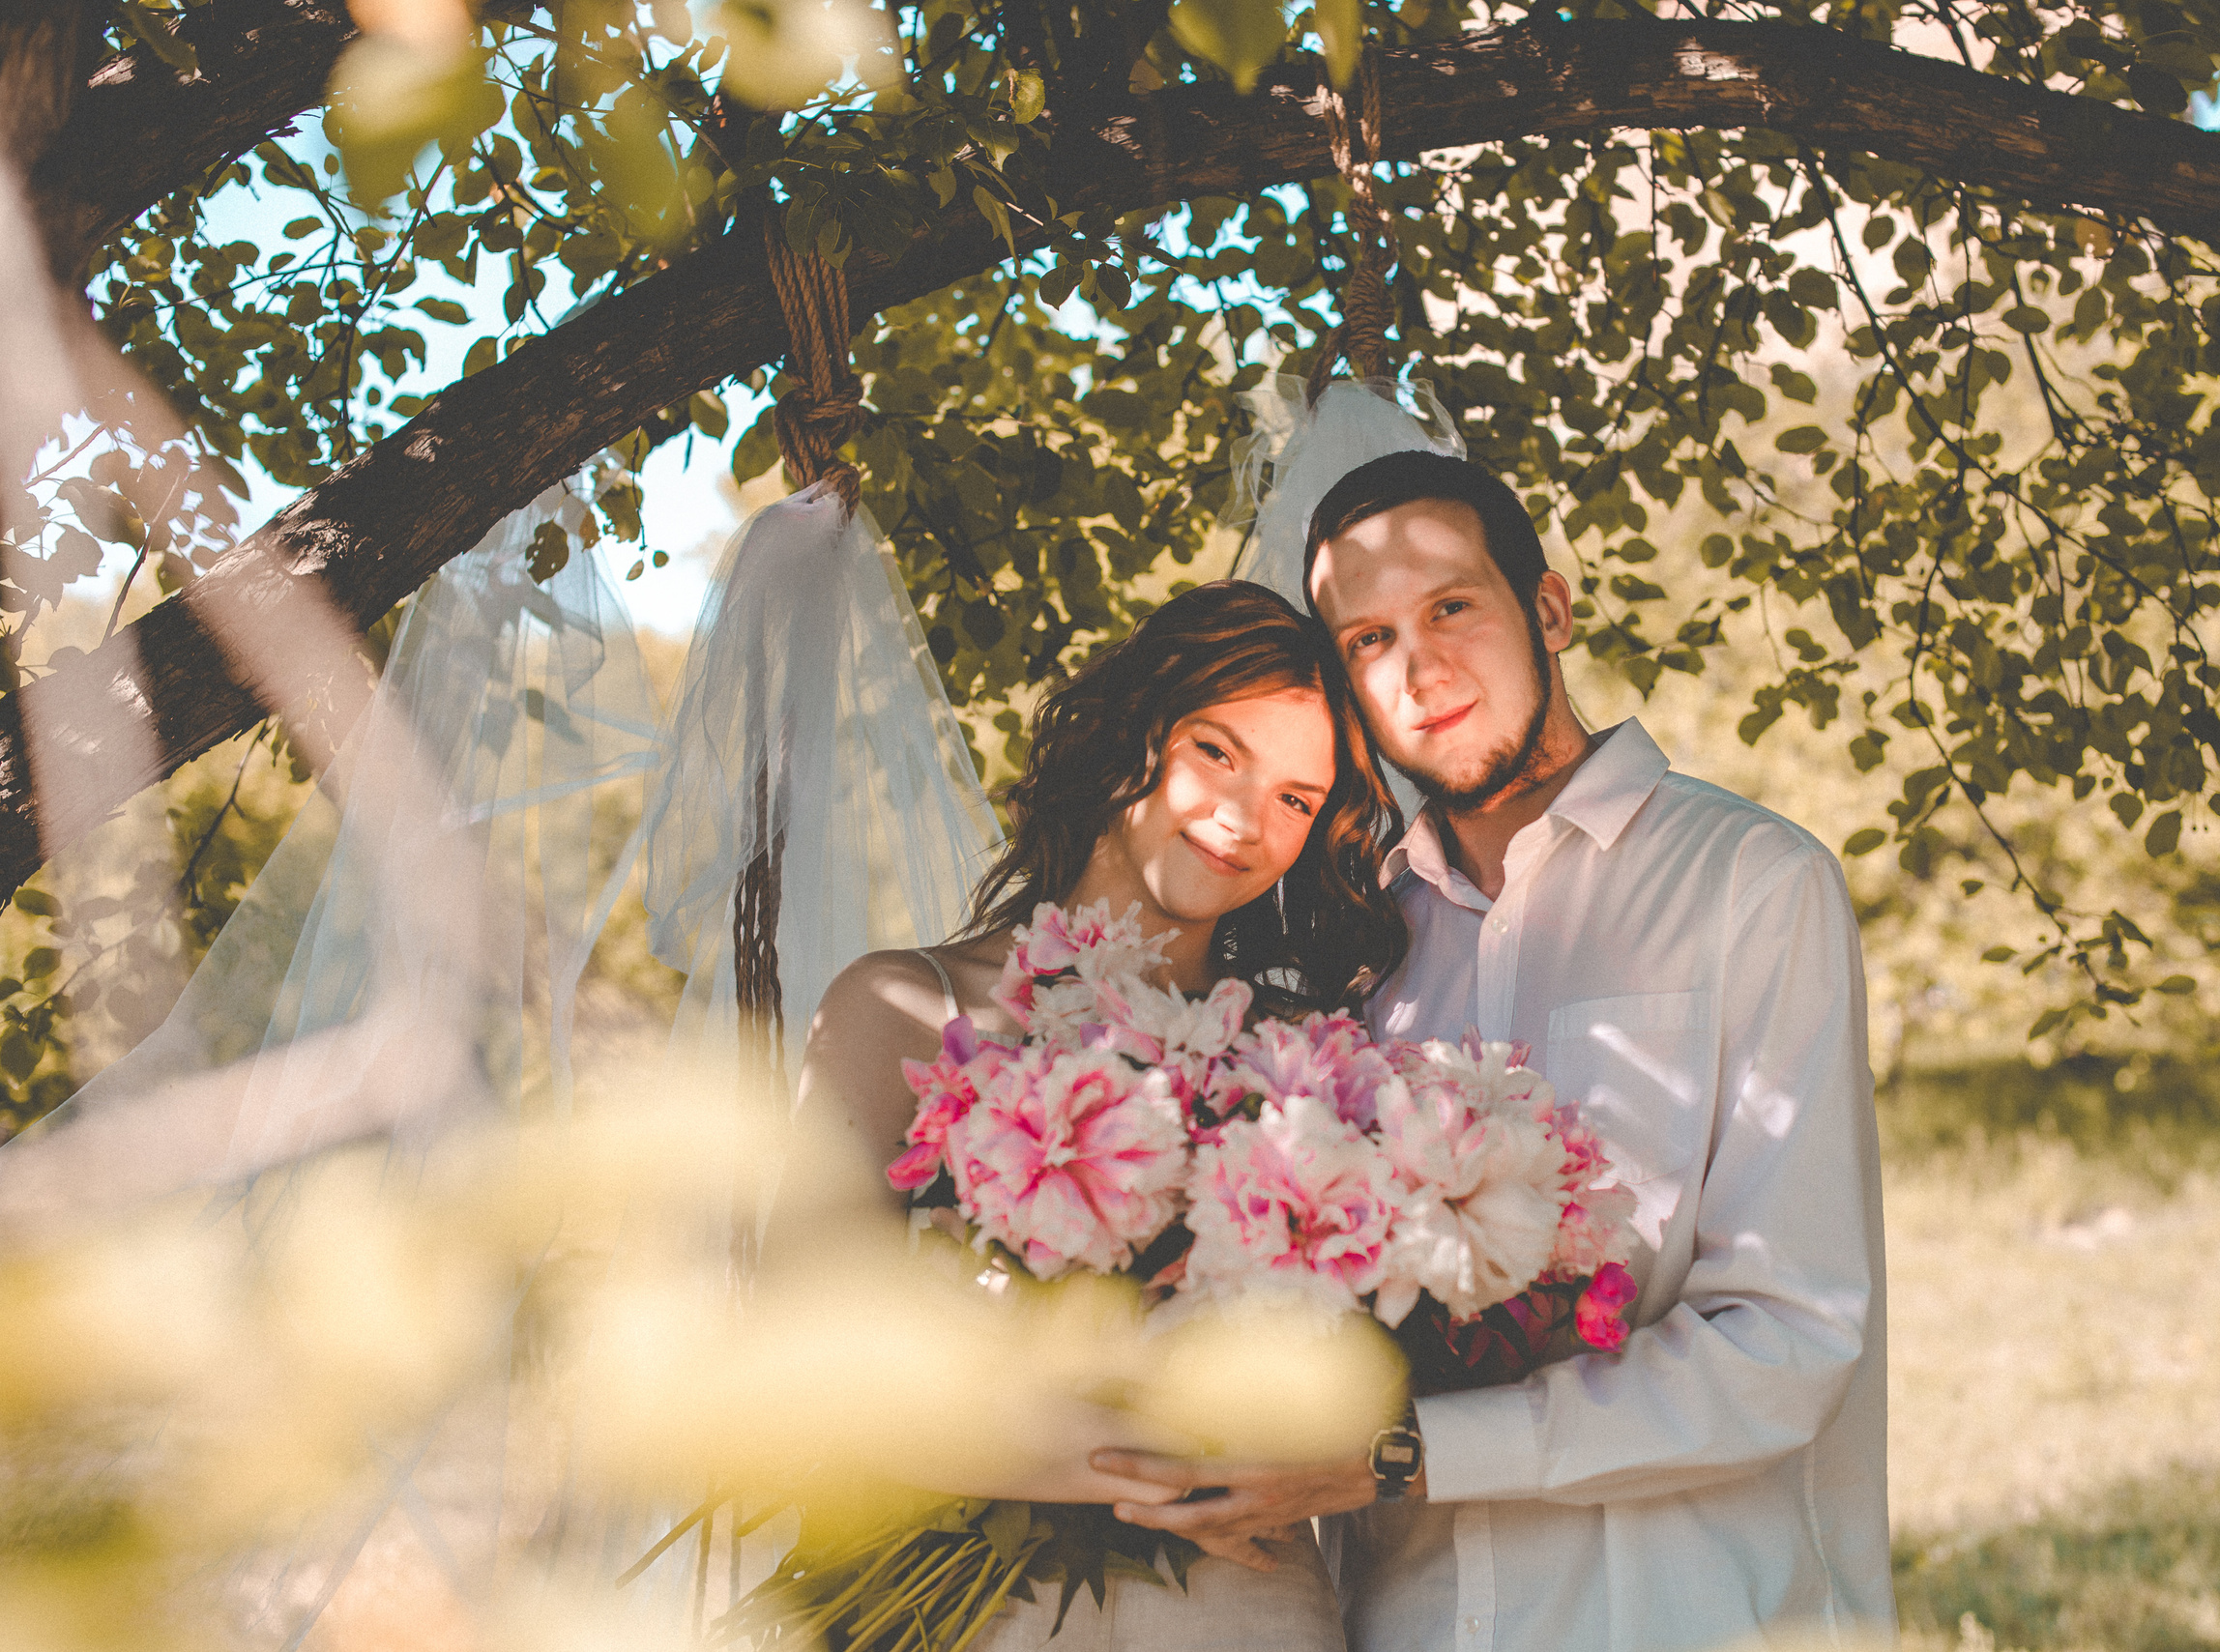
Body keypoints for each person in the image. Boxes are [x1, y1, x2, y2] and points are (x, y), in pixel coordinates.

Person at [1099, 450, 1895, 1649]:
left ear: (1551, 607)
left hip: (1672, 1612)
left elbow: (1791, 1334)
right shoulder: (1351, 933)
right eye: (1366, 640)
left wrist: (1401, 1456)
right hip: (1397, 1619)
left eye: (1451, 608)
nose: (1417, 672)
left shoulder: (1748, 882)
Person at [788, 578, 1409, 1650]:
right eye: (1217, 751)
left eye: (1298, 800)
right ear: (1134, 732)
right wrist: (1154, 1464)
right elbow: (818, 1352)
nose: (1242, 818)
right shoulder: (898, 1008)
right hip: (959, 1600)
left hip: (1240, 1603)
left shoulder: (1309, 1058)